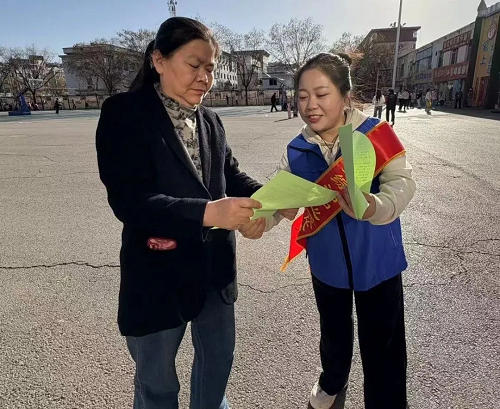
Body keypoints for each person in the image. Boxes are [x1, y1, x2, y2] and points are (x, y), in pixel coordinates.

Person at [96, 17, 294, 409]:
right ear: (159, 60)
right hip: (158, 276)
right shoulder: (125, 113)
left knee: (216, 370)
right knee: (156, 385)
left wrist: (273, 199)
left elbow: (230, 174)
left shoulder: (211, 120)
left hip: (215, 271)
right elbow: (130, 200)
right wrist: (208, 213)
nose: (205, 77)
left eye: (210, 68)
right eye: (194, 65)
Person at [264, 52, 416, 409]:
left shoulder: (376, 134)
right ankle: (332, 381)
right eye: (303, 96)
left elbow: (402, 183)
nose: (310, 105)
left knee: (384, 341)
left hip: (377, 260)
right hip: (326, 262)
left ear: (345, 96)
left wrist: (377, 206)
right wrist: (262, 217)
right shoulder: (297, 149)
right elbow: (277, 195)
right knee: (333, 331)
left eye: (321, 94)